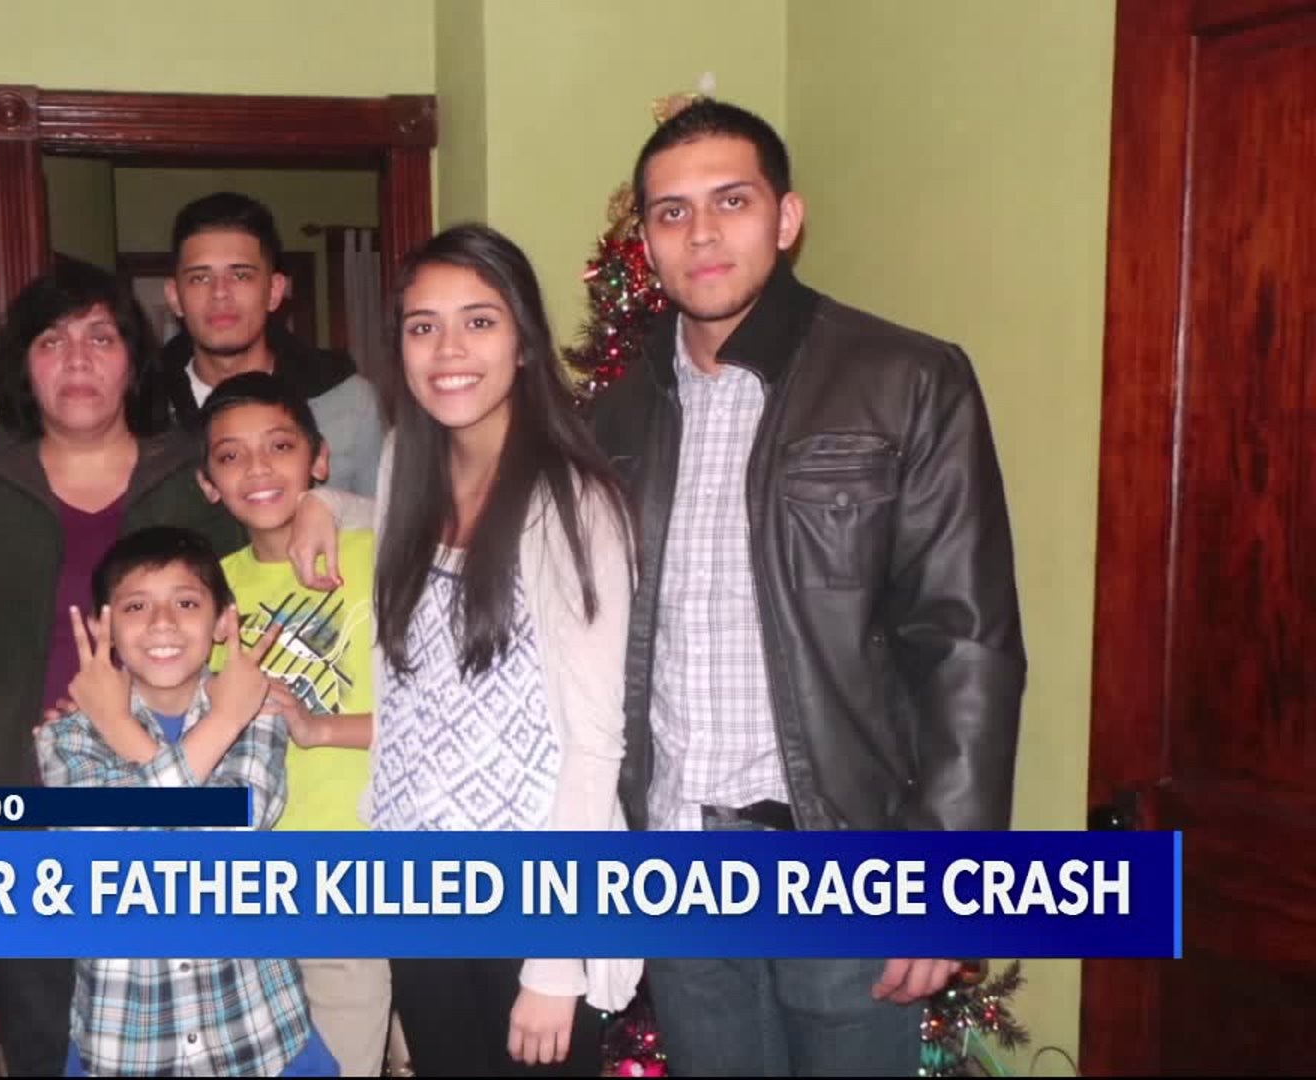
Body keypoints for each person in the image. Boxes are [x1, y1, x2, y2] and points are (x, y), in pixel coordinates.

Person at [589, 97, 1027, 1075]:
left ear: (786, 218)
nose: (702, 233)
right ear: (646, 244)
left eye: (731, 200)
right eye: (671, 212)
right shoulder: (614, 418)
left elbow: (966, 644)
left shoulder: (905, 380)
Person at [0, 259, 243, 1074]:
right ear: (23, 366)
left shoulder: (196, 477)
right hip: (21, 815)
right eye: (51, 341)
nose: (77, 359)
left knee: (187, 1036)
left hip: (174, 798)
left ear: (134, 360)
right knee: (46, 1036)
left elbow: (254, 591)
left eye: (100, 337)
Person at [356, 223, 641, 1075]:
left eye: (479, 322)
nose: (448, 350)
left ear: (523, 342)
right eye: (423, 326)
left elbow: (594, 745)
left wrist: (555, 961)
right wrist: (311, 507)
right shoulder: (404, 464)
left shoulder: (573, 503)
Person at [37, 526, 341, 1077]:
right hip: (128, 1049)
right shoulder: (67, 735)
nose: (162, 622)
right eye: (136, 605)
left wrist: (125, 728)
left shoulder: (258, 711)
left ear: (224, 620)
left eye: (186, 602)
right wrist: (220, 721)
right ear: (105, 628)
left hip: (259, 1038)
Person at [194, 371, 391, 1076]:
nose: (257, 468)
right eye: (231, 456)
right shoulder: (204, 593)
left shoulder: (379, 552)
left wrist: (319, 728)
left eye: (279, 446)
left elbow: (442, 718)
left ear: (320, 458)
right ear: (208, 484)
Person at [147, 191, 386, 497]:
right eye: (200, 278)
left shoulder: (348, 402)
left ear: (274, 291)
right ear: (174, 297)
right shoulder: (141, 407)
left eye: (240, 276)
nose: (220, 293)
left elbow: (385, 519)